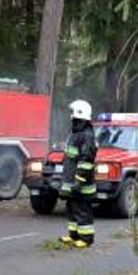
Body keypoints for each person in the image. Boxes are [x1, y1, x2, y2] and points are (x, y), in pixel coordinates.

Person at [60, 99, 97, 249]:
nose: (70, 116)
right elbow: (70, 159)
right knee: (72, 209)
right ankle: (73, 236)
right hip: (72, 183)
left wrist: (78, 181)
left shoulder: (87, 136)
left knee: (82, 210)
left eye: (72, 113)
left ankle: (86, 239)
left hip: (81, 185)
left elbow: (86, 160)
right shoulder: (76, 134)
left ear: (79, 114)